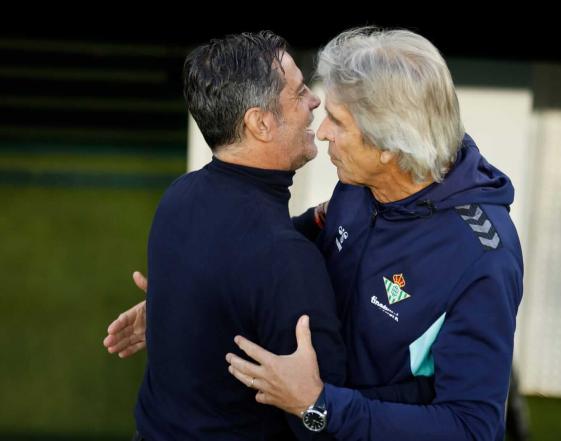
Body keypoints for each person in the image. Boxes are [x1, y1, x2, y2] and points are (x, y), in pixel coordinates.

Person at [108, 28, 523, 441]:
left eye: (338, 122)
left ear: (390, 147)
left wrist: (322, 406)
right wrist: (195, 301)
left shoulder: (483, 258)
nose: (322, 129)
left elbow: (473, 428)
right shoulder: (359, 183)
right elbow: (283, 255)